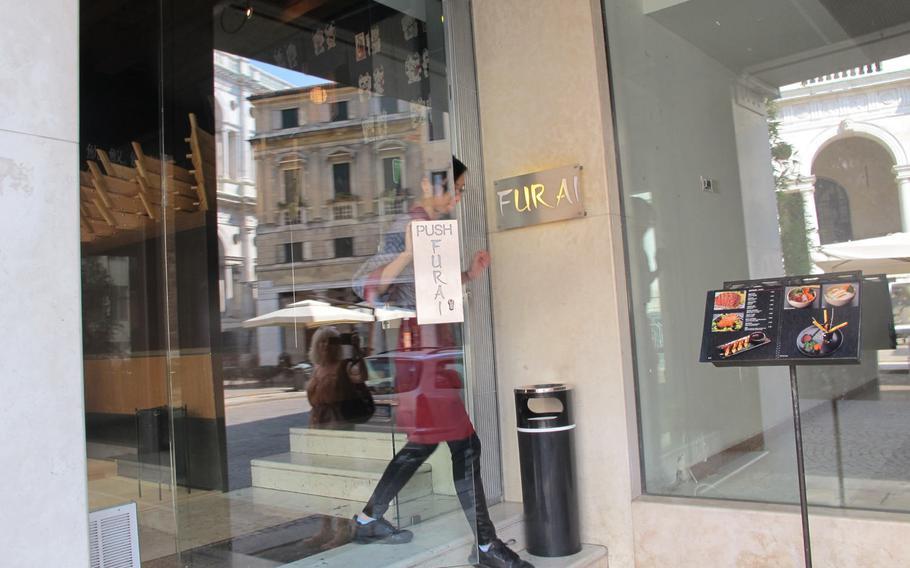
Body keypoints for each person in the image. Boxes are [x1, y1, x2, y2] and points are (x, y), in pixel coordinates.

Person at [351, 157, 532, 568]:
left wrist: (467, 275)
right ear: (428, 185)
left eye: (462, 190)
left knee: (424, 443)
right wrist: (407, 254)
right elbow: (366, 287)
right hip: (421, 353)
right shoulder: (407, 226)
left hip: (434, 350)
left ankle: (368, 518)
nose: (459, 197)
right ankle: (486, 546)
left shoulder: (434, 230)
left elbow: (428, 289)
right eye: (455, 188)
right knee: (465, 445)